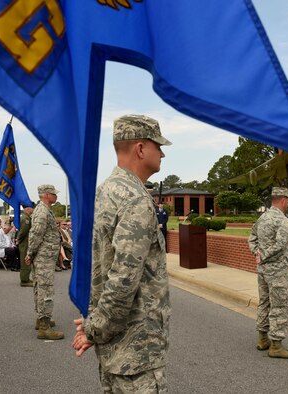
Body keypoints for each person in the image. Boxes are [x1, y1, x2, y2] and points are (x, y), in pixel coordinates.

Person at [72, 114, 172, 392]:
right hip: (135, 348)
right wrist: (95, 329)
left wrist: (95, 323)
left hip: (114, 347)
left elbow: (97, 265)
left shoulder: (105, 191)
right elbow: (123, 278)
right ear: (141, 149)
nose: (162, 153)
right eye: (157, 145)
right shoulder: (136, 199)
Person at [248, 187, 288, 359]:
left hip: (262, 270)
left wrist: (257, 254)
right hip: (277, 271)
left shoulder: (262, 218)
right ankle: (276, 345)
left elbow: (252, 237)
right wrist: (265, 256)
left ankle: (262, 339)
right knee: (279, 305)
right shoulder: (282, 220)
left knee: (264, 303)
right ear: (283, 200)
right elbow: (281, 244)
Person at [26, 185, 64, 340]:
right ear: (47, 195)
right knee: (45, 289)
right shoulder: (42, 211)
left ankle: (41, 318)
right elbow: (36, 234)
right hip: (44, 257)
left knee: (40, 287)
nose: (56, 196)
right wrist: (30, 252)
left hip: (44, 256)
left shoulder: (44, 209)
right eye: (54, 194)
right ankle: (44, 326)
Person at [16, 202, 35, 286]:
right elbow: (23, 232)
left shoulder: (27, 217)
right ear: (28, 208)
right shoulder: (25, 219)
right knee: (25, 261)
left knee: (27, 260)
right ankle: (24, 280)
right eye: (32, 208)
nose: (33, 210)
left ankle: (26, 278)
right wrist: (18, 240)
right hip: (24, 242)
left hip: (26, 241)